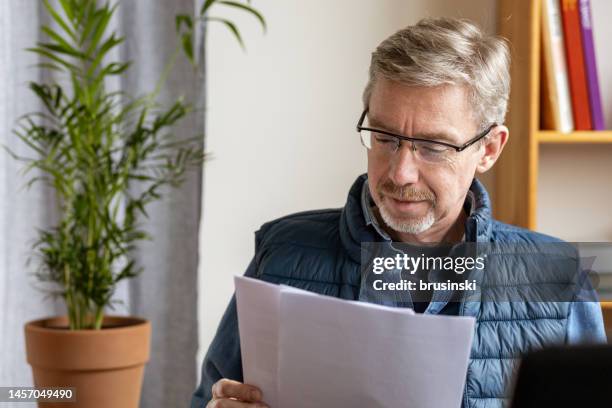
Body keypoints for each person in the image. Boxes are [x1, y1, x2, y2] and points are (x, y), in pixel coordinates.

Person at [190, 17, 606, 408]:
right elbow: (210, 396)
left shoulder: (559, 280)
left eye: (433, 146)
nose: (400, 172)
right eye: (385, 137)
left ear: (489, 149)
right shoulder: (280, 252)